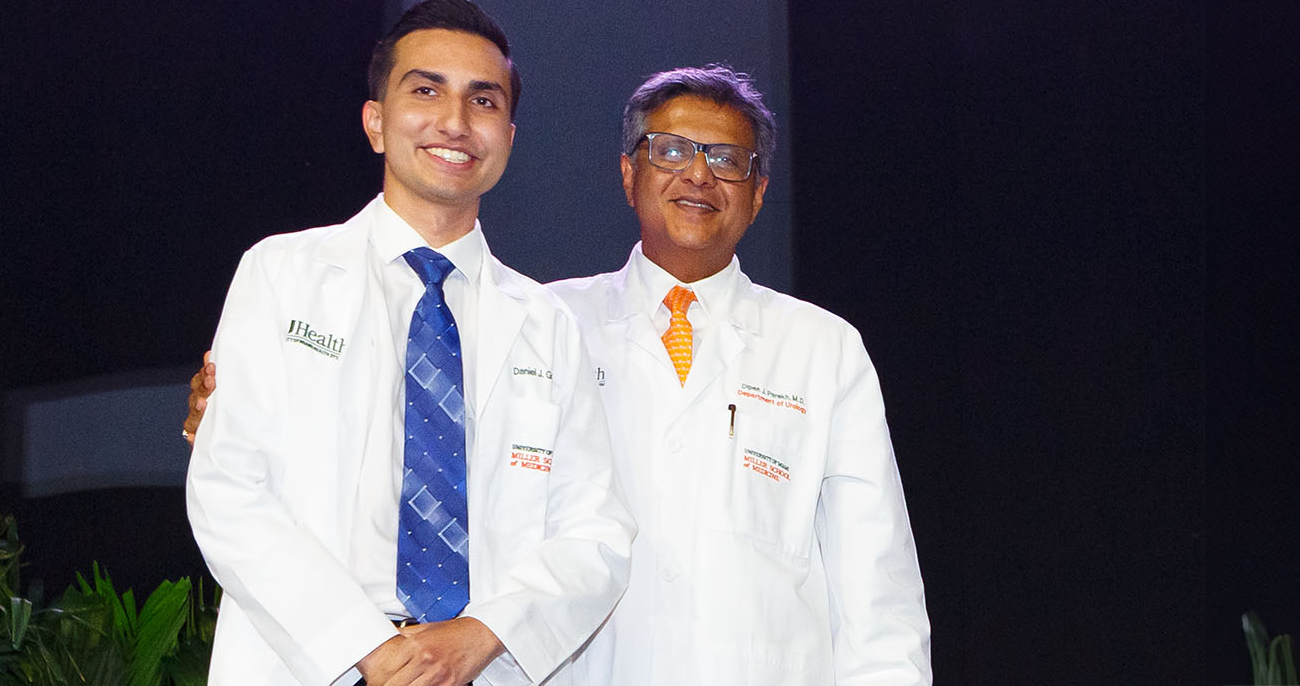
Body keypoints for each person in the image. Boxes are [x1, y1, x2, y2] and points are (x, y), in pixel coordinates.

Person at [185, 65, 929, 683]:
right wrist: (227, 411)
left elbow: (879, 592)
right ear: (629, 174)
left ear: (758, 191)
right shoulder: (542, 322)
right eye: (670, 151)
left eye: (727, 159)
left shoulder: (825, 349)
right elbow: (392, 423)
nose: (698, 174)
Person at [186, 0, 634, 686]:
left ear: (508, 138)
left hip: (482, 668)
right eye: (426, 90)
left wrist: (479, 637)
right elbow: (229, 489)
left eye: (483, 102)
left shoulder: (547, 324)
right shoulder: (282, 274)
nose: (454, 122)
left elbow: (595, 534)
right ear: (375, 122)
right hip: (314, 663)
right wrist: (372, 647)